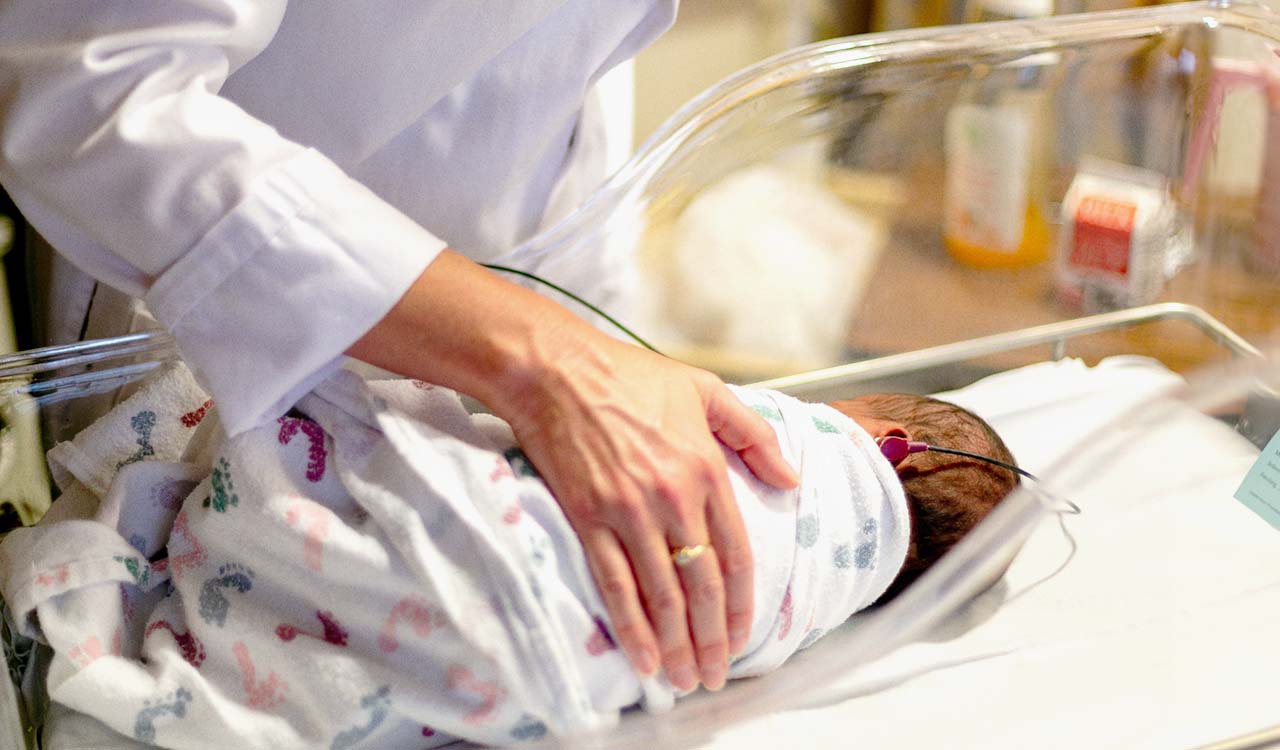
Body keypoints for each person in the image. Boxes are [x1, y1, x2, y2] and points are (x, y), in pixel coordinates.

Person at [0, 0, 802, 698]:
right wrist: (548, 360)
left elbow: (561, 72)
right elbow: (95, 97)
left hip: (523, 314)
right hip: (218, 320)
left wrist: (598, 349)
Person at [0, 365, 1018, 748]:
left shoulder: (807, 451)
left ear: (889, 443)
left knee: (317, 397)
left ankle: (216, 556)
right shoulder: (815, 608)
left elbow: (624, 424)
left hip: (487, 550)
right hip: (526, 675)